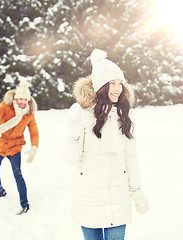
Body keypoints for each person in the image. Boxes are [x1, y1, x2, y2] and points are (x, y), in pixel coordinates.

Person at [64, 49, 149, 240]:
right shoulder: (84, 114)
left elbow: (130, 156)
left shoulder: (125, 115)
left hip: (118, 197)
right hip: (88, 197)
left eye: (120, 83)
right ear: (101, 85)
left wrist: (136, 190)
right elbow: (70, 159)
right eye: (112, 83)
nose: (117, 88)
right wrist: (73, 130)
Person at [0, 80, 39, 215]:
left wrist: (34, 148)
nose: (22, 101)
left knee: (18, 176)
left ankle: (25, 204)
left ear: (28, 100)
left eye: (25, 99)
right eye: (19, 98)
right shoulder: (6, 107)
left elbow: (34, 132)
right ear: (15, 98)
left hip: (14, 149)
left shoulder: (29, 115)